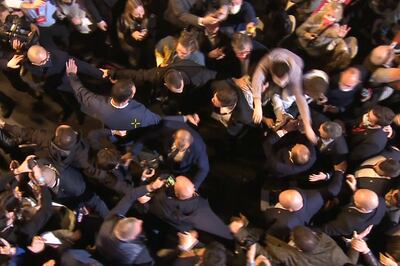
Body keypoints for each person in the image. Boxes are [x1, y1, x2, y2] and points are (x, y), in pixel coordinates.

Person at [95, 173, 165, 265]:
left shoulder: (109, 222)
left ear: (121, 221)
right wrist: (181, 248)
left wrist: (151, 186)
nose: (140, 221)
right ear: (133, 238)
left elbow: (130, 196)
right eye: (139, 229)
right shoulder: (140, 255)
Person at [251, 48, 318, 144]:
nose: (282, 84)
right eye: (278, 81)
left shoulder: (295, 72)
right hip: (277, 56)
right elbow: (257, 78)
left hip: (295, 65)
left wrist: (307, 126)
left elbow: (301, 100)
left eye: (284, 81)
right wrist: (257, 104)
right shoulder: (268, 60)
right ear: (271, 72)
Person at [144, 176, 233, 239]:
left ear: (177, 195)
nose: (172, 180)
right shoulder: (195, 197)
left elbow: (153, 205)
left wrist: (153, 187)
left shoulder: (169, 205)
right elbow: (169, 178)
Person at [132, 121, 209, 189]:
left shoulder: (198, 148)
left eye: (183, 149)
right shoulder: (166, 128)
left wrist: (193, 188)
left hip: (179, 168)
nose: (180, 150)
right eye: (177, 146)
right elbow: (146, 136)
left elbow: (204, 169)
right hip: (164, 156)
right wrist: (132, 152)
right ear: (174, 136)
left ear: (190, 143)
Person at [319, 189, 386, 237]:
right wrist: (354, 189)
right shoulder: (381, 202)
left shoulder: (349, 223)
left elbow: (326, 230)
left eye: (354, 200)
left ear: (362, 208)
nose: (353, 196)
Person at [117, 0, 156, 67]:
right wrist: (132, 35)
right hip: (133, 50)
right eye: (137, 15)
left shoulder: (150, 15)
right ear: (129, 13)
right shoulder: (123, 20)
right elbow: (122, 38)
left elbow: (154, 29)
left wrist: (146, 32)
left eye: (142, 13)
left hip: (148, 49)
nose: (141, 16)